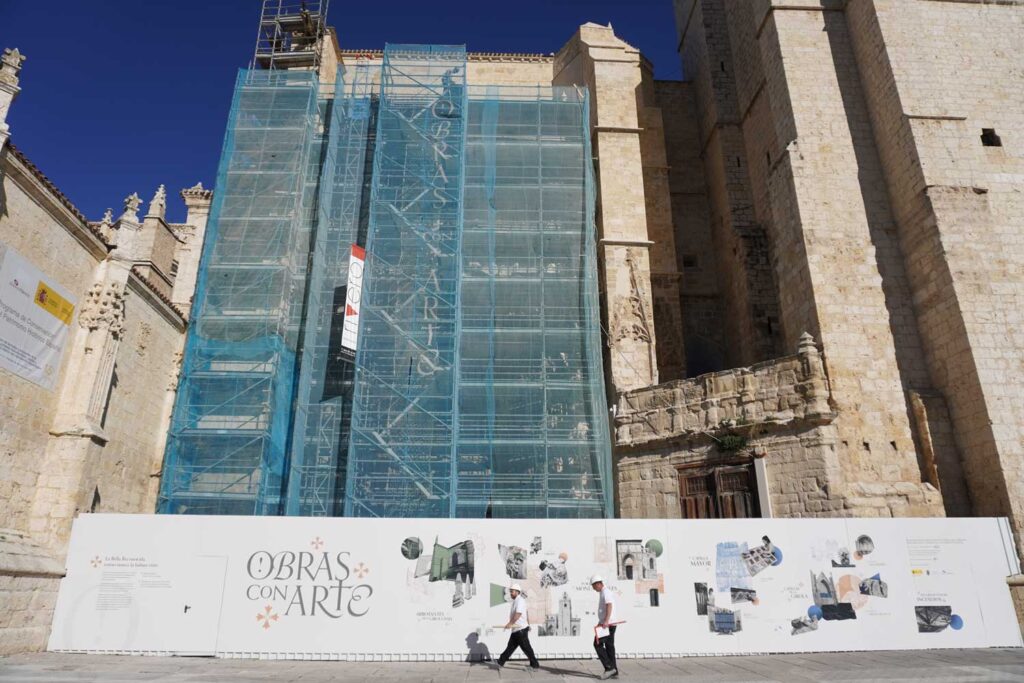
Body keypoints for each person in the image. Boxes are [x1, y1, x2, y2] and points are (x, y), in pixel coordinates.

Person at [495, 583, 539, 669]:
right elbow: (525, 613)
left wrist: (510, 624)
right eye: (510, 591)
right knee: (510, 647)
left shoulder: (520, 601)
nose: (511, 593)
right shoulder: (516, 601)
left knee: (526, 648)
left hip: (520, 630)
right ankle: (500, 661)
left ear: (517, 592)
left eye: (512, 591)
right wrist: (528, 624)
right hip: (517, 629)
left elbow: (518, 614)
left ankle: (535, 664)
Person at [590, 574, 618, 679]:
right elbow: (604, 609)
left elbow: (609, 605)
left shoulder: (605, 592)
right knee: (610, 647)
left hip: (608, 624)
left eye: (593, 586)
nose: (593, 588)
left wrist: (605, 621)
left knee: (597, 644)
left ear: (598, 584)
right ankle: (614, 671)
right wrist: (601, 621)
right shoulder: (604, 592)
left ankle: (609, 668)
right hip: (609, 623)